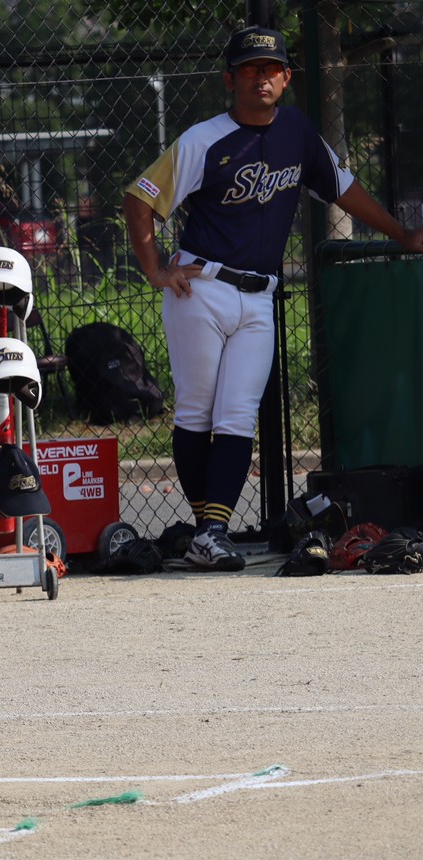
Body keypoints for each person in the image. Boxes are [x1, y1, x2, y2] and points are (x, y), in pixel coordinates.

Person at [124, 25, 423, 571]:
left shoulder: (299, 133)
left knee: (236, 413)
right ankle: (208, 532)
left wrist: (402, 234)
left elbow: (342, 187)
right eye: (249, 70)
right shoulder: (204, 138)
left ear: (286, 78)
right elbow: (140, 197)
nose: (260, 78)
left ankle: (208, 534)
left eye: (271, 70)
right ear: (229, 79)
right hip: (202, 289)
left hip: (259, 297)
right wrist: (155, 272)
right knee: (197, 409)